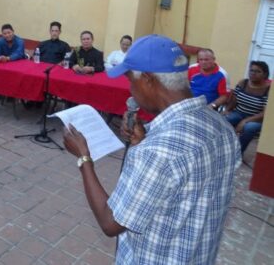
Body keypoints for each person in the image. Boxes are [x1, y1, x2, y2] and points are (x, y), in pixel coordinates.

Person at [63, 34, 240, 264]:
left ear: (147, 79)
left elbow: (111, 222)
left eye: (130, 81)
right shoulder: (222, 126)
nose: (130, 90)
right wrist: (144, 139)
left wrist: (84, 158)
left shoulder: (157, 152)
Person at [224, 61, 270, 153]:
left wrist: (245, 121)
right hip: (239, 113)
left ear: (265, 74)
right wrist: (227, 110)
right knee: (223, 120)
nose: (253, 73)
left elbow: (265, 113)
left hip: (256, 118)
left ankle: (238, 153)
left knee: (249, 128)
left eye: (257, 71)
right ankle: (224, 149)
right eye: (251, 70)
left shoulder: (268, 89)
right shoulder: (243, 83)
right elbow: (234, 100)